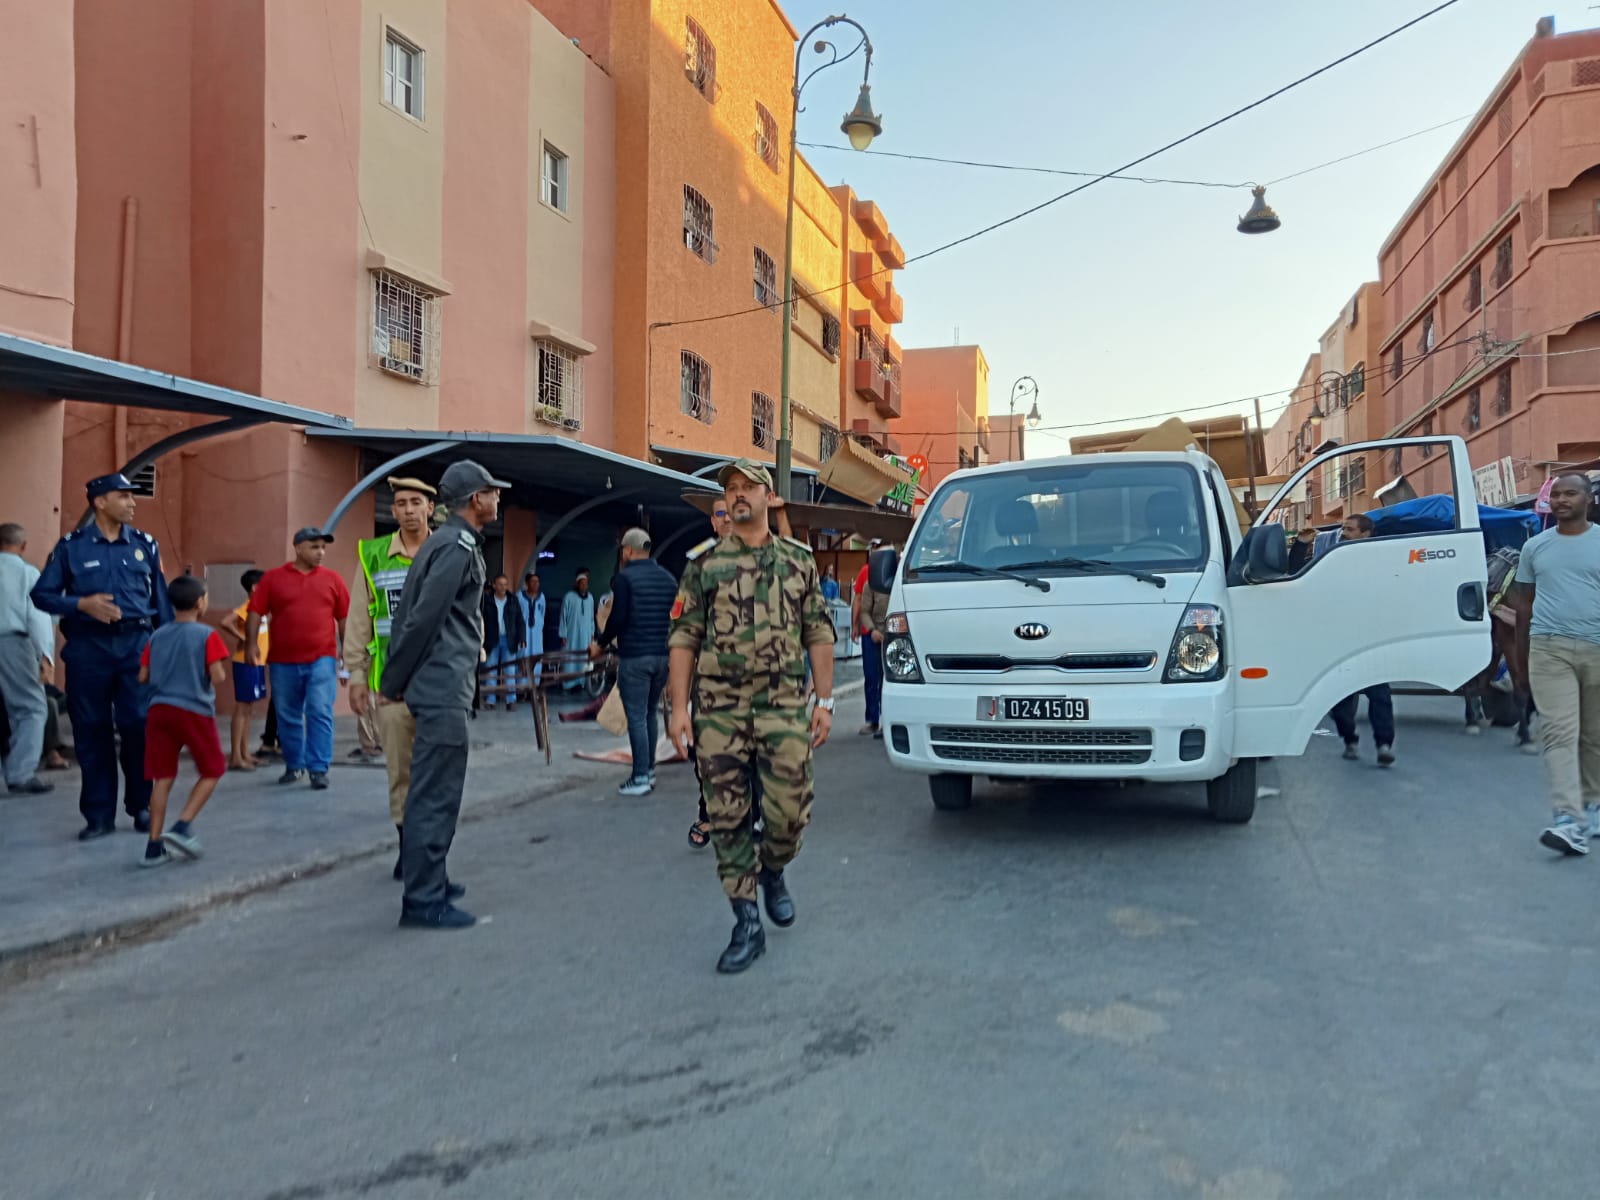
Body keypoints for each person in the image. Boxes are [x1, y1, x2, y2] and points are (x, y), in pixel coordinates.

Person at [668, 459, 836, 974]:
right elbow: (683, 637)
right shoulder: (704, 565)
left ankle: (774, 869)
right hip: (719, 709)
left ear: (769, 497)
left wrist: (824, 701)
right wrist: (679, 707)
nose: (738, 496)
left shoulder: (798, 561)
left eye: (748, 488)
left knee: (788, 812)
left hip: (783, 705)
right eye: (731, 490)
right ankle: (746, 922)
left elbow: (818, 630)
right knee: (727, 817)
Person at [382, 459, 507, 929]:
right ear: (476, 499)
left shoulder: (447, 542)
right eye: (493, 492)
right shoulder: (456, 546)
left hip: (437, 684)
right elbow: (421, 621)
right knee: (435, 795)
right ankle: (423, 900)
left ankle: (430, 879)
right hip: (441, 686)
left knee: (431, 791)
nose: (498, 499)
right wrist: (391, 684)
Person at [32, 473, 173, 840]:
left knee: (138, 725)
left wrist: (166, 649)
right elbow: (42, 595)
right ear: (100, 502)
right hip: (88, 650)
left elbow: (161, 603)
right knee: (91, 731)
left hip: (136, 646)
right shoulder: (71, 547)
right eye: (123, 496)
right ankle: (98, 815)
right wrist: (81, 604)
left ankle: (141, 805)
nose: (132, 502)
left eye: (132, 496)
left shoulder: (145, 545)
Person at [345, 476, 436, 880]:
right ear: (393, 510)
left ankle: (431, 855)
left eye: (416, 502)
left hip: (440, 685)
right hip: (392, 686)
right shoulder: (374, 555)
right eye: (400, 503)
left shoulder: (447, 551)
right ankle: (407, 850)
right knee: (400, 772)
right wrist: (357, 675)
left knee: (436, 774)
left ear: (430, 508)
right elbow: (359, 621)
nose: (408, 509)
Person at [1510, 472, 1600, 856]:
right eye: (1557, 494)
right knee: (1560, 733)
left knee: (1594, 737)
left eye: (1571, 494)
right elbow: (1524, 606)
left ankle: (1593, 805)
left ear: (1588, 499)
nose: (1562, 500)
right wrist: (1521, 659)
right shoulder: (1535, 547)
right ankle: (1568, 819)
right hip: (1549, 650)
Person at [246, 528, 350, 791]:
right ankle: (294, 764)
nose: (321, 552)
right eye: (314, 547)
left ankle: (318, 768)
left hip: (322, 658)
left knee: (319, 709)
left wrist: (347, 651)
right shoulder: (273, 579)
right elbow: (256, 611)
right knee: (287, 714)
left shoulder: (333, 580)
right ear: (298, 548)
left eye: (323, 548)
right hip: (282, 660)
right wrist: (250, 646)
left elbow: (344, 618)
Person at [136, 575, 229, 867]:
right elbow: (217, 676)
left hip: (159, 710)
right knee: (213, 769)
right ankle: (182, 825)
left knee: (161, 778)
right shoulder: (207, 635)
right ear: (201, 602)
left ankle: (153, 846)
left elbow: (143, 676)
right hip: (194, 710)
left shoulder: (157, 635)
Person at [591, 528, 678, 795]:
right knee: (650, 713)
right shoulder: (668, 579)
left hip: (636, 658)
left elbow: (616, 619)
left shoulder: (624, 580)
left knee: (637, 716)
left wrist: (600, 644)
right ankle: (648, 770)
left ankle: (640, 777)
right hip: (662, 657)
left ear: (628, 550)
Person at [1318, 515, 1395, 766]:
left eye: (1350, 529)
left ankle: (1384, 744)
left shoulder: (1380, 560)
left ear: (1366, 533)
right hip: (1341, 639)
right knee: (1340, 699)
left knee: (1379, 695)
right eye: (1343, 528)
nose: (1344, 533)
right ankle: (1349, 739)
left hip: (1373, 639)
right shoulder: (1334, 558)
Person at [685, 497, 732, 850]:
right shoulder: (699, 563)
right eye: (720, 514)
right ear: (712, 522)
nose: (728, 518)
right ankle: (709, 812)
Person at [0, 523, 55, 795]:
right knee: (32, 708)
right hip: (13, 642)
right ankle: (20, 773)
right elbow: (38, 616)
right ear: (23, 546)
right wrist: (45, 655)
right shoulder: (27, 573)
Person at [220, 568, 269, 770]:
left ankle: (244, 752)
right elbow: (225, 621)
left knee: (248, 709)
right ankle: (236, 757)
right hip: (245, 662)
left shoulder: (260, 608)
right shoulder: (249, 606)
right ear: (255, 587)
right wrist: (244, 639)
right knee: (241, 708)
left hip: (257, 663)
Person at [856, 547, 891, 740]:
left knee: (889, 681)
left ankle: (889, 721)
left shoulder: (897, 582)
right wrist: (871, 630)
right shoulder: (870, 584)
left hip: (893, 636)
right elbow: (864, 610)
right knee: (871, 678)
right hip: (873, 635)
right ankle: (872, 720)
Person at [480, 573, 526, 712]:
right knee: (491, 670)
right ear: (494, 585)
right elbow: (481, 620)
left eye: (505, 584)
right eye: (500, 584)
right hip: (492, 639)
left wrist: (522, 638)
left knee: (509, 671)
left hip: (509, 639)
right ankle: (490, 700)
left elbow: (520, 621)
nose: (503, 587)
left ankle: (511, 700)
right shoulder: (487, 601)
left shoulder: (513, 600)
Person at [558, 568, 596, 691]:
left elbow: (591, 618)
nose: (584, 586)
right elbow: (563, 617)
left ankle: (581, 682)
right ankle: (568, 684)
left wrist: (592, 633)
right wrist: (563, 634)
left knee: (583, 658)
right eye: (582, 583)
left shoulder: (590, 598)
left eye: (586, 583)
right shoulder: (569, 597)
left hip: (585, 636)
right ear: (577, 584)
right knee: (570, 658)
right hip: (571, 634)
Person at [517, 572, 546, 687]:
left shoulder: (542, 597)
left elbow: (543, 614)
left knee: (537, 658)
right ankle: (521, 688)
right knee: (523, 657)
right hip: (524, 634)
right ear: (527, 583)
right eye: (533, 582)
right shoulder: (519, 596)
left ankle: (534, 687)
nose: (536, 584)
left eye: (537, 582)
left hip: (537, 634)